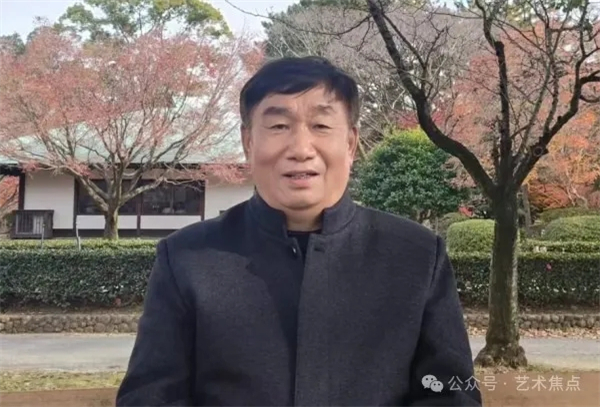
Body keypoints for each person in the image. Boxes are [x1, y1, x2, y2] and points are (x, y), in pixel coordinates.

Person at [116, 56, 482, 407]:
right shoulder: (188, 259)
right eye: (278, 126)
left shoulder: (416, 256)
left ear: (350, 144)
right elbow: (150, 397)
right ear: (248, 142)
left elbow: (453, 394)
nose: (301, 149)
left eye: (321, 126)